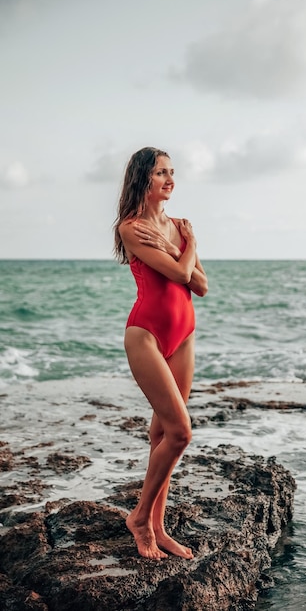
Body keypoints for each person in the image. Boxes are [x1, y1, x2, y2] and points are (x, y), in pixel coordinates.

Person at [114, 146, 208, 560]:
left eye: (172, 171)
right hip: (147, 335)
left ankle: (158, 527)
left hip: (183, 335)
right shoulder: (131, 228)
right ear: (141, 180)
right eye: (160, 173)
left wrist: (182, 243)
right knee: (181, 433)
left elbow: (202, 286)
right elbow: (182, 274)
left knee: (162, 437)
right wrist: (187, 246)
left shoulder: (177, 228)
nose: (170, 179)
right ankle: (138, 519)